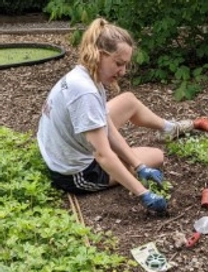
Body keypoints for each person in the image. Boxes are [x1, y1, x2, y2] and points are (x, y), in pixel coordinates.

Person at [37, 18, 194, 214]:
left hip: (62, 148)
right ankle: (140, 166)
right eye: (119, 63)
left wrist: (138, 166)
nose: (123, 71)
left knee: (127, 100)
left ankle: (170, 128)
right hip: (75, 173)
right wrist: (143, 193)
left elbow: (108, 127)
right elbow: (102, 155)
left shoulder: (85, 76)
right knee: (156, 156)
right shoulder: (85, 93)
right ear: (99, 54)